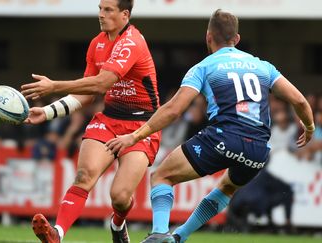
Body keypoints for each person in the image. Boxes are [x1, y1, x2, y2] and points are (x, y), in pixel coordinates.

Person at [105, 9, 314, 243]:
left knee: (162, 176)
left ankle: (159, 234)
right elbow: (299, 100)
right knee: (227, 187)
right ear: (236, 39)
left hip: (224, 138)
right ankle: (178, 238)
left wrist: (134, 136)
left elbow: (174, 109)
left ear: (208, 37)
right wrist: (309, 127)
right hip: (258, 150)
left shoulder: (204, 67)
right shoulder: (263, 66)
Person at [21, 0, 160, 242]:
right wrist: (49, 112)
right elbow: (87, 93)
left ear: (124, 14)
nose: (101, 15)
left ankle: (118, 225)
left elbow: (102, 83)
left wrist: (54, 85)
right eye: (100, 9)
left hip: (142, 126)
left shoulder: (131, 41)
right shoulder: (97, 43)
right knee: (84, 175)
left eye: (108, 10)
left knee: (119, 196)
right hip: (108, 120)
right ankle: (57, 234)